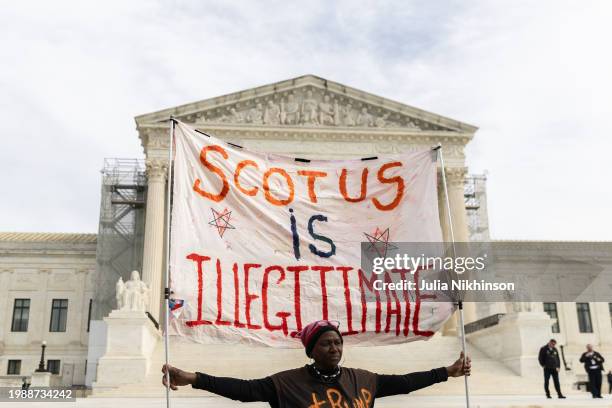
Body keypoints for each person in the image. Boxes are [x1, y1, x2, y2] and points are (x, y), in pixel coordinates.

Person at [162, 320, 471, 407]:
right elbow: (244, 391)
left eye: (337, 342)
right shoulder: (287, 383)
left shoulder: (362, 379)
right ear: (311, 351)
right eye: (326, 343)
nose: (334, 348)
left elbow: (404, 383)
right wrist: (194, 378)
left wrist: (446, 372)